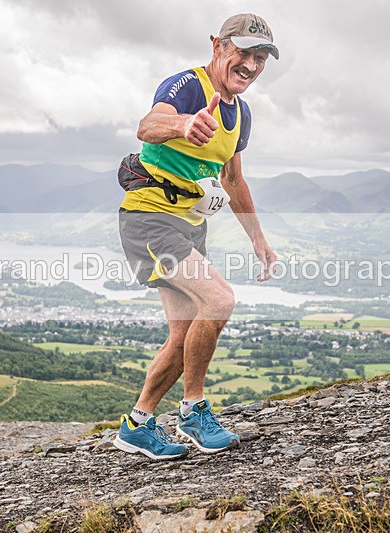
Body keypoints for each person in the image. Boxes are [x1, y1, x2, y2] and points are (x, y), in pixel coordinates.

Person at [113, 13, 279, 460]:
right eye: (243, 52)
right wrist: (183, 124)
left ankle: (137, 425)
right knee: (219, 300)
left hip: (189, 224)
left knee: (184, 332)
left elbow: (233, 181)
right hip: (149, 217)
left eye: (260, 57)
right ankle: (192, 409)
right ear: (218, 46)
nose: (251, 64)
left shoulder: (241, 114)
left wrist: (258, 240)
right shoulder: (187, 86)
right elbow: (148, 125)